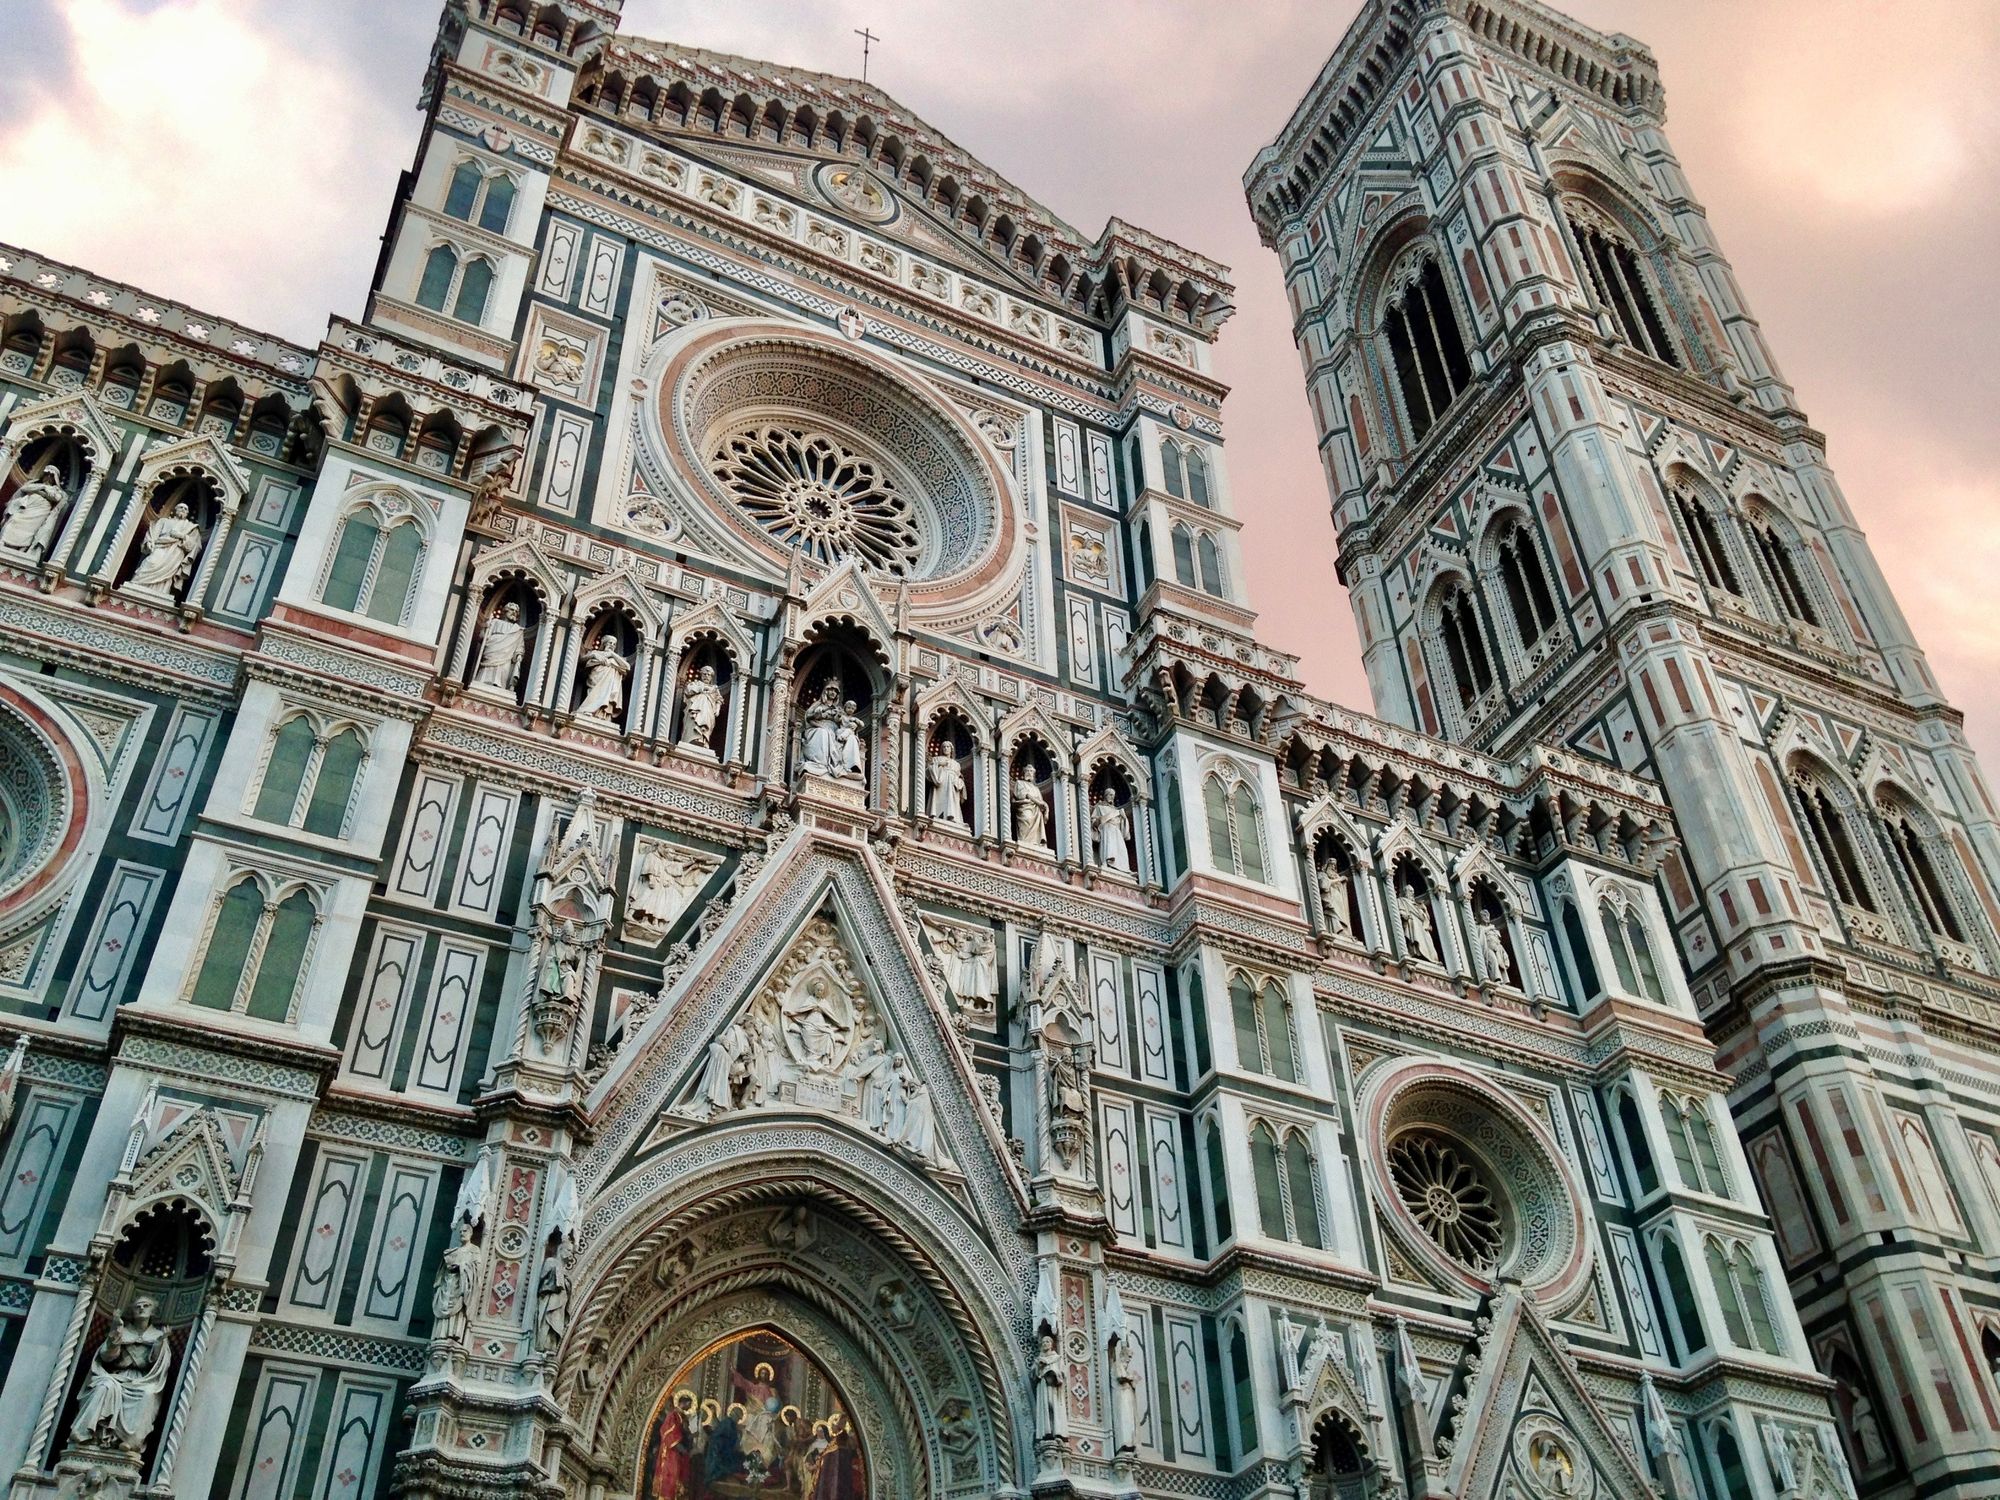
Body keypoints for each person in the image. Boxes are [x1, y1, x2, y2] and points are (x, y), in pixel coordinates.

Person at [68, 1296, 172, 1453]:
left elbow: (159, 1364)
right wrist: (115, 1336)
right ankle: (87, 1435)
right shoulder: (122, 1331)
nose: (141, 1308)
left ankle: (129, 1441)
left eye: (146, 1305)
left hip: (142, 1379)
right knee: (103, 1386)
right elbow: (106, 1357)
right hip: (116, 1375)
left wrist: (159, 1344)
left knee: (147, 1394)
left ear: (153, 1311)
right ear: (132, 1310)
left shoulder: (157, 1335)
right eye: (138, 1306)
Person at [124, 499, 204, 602]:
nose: (183, 510)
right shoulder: (163, 521)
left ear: (188, 513)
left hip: (175, 554)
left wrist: (182, 536)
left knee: (166, 577)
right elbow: (153, 534)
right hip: (160, 547)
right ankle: (137, 584)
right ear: (175, 510)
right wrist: (149, 542)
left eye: (185, 509)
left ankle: (162, 593)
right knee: (150, 562)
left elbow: (193, 546)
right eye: (181, 507)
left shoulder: (191, 527)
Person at [0, 464, 69, 561]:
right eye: (46, 474)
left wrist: (40, 491)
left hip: (40, 513)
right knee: (13, 520)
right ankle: (2, 543)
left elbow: (56, 497)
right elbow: (25, 489)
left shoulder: (56, 490)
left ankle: (22, 552)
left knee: (31, 533)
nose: (48, 477)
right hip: (27, 509)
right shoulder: (35, 484)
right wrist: (43, 488)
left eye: (51, 475)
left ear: (54, 479)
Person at [471, 601, 528, 692]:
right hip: (492, 650)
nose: (514, 613)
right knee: (485, 672)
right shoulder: (494, 622)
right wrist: (485, 628)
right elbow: (482, 638)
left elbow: (520, 646)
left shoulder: (518, 630)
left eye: (516, 612)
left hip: (507, 656)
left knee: (503, 672)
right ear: (505, 611)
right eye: (512, 610)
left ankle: (500, 687)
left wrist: (519, 655)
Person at [575, 638, 631, 722]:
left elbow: (627, 667)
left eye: (614, 644)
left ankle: (602, 716)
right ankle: (588, 710)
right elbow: (582, 659)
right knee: (594, 693)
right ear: (604, 644)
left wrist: (612, 654)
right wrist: (593, 655)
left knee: (606, 694)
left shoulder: (616, 658)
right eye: (610, 643)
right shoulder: (596, 653)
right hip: (596, 677)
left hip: (609, 682)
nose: (612, 645)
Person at [679, 663, 725, 752]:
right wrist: (701, 689)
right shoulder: (696, 684)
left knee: (705, 724)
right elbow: (688, 691)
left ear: (711, 677)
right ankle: (691, 738)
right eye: (704, 674)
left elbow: (719, 699)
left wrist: (718, 708)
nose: (706, 676)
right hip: (695, 709)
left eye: (708, 675)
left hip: (707, 711)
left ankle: (702, 740)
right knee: (693, 723)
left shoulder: (714, 689)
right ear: (701, 675)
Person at [1092, 788, 1132, 872]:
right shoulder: (1099, 808)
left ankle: (1123, 868)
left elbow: (1124, 831)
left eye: (1113, 795)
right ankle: (1107, 863)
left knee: (1121, 849)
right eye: (1110, 795)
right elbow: (1094, 821)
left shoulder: (1116, 811)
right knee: (1109, 846)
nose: (1112, 797)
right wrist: (1100, 821)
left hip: (1116, 831)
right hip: (1107, 829)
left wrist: (1124, 818)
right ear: (1105, 796)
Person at [927, 743, 966, 823]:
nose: (945, 748)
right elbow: (928, 771)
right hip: (940, 782)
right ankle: (937, 815)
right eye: (944, 747)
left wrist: (960, 781)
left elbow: (960, 776)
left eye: (948, 747)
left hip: (952, 784)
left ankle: (952, 817)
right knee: (939, 801)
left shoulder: (956, 764)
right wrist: (939, 764)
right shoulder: (936, 759)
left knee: (951, 801)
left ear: (951, 749)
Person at [1013, 767, 1048, 847]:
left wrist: (1047, 811)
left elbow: (1042, 802)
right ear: (1024, 773)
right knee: (1027, 818)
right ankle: (1025, 841)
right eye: (1027, 771)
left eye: (1031, 771)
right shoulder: (1019, 783)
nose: (1029, 772)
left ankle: (1036, 842)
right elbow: (1023, 795)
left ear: (1033, 774)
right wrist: (1037, 802)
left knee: (1038, 816)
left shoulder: (1036, 789)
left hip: (1036, 810)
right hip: (1025, 807)